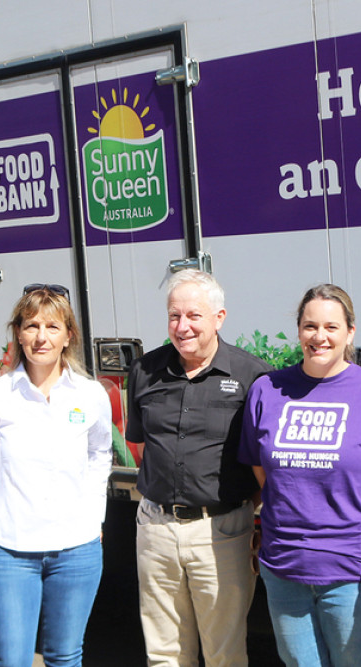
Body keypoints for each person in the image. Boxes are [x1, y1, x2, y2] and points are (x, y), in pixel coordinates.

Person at [239, 284, 361, 666]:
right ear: (299, 330)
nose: (319, 337)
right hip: (284, 565)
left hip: (355, 570)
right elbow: (260, 465)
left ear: (350, 332)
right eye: (310, 326)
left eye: (331, 327)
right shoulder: (267, 391)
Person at [0, 283, 112, 667]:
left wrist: (95, 517)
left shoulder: (91, 395)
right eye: (31, 325)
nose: (41, 337)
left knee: (65, 656)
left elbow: (99, 456)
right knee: (11, 660)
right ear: (18, 334)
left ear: (68, 335)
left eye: (52, 327)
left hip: (76, 550)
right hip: (10, 551)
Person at [126, 269, 271, 667]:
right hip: (155, 529)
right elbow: (139, 444)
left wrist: (248, 511)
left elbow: (265, 460)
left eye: (194, 316)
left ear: (219, 318)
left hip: (221, 533)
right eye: (174, 316)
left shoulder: (252, 376)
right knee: (164, 654)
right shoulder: (144, 371)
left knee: (224, 652)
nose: (182, 326)